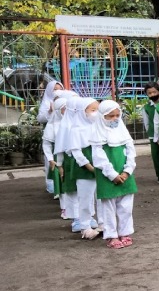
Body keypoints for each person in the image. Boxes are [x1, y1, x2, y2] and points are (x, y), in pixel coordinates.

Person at [91, 101, 137, 249]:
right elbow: (99, 158)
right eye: (110, 116)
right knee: (108, 208)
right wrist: (112, 174)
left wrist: (127, 171)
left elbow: (131, 152)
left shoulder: (123, 132)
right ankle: (111, 235)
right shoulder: (97, 134)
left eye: (117, 115)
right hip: (107, 176)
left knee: (126, 206)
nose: (115, 119)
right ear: (102, 116)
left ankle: (125, 232)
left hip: (126, 175)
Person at [68, 97, 102, 240]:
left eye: (98, 110)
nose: (96, 113)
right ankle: (85, 226)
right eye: (93, 110)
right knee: (85, 198)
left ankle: (103, 223)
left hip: (99, 164)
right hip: (84, 168)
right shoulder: (76, 129)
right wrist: (88, 166)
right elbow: (76, 151)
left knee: (101, 197)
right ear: (83, 112)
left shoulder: (99, 126)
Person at [54, 94, 81, 229]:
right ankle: (76, 218)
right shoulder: (64, 126)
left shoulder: (84, 123)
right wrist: (59, 166)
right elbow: (59, 148)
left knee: (86, 190)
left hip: (85, 161)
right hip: (69, 162)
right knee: (71, 190)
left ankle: (88, 216)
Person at [43, 97, 67, 215]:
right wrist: (50, 159)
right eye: (64, 109)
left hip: (70, 156)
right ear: (57, 110)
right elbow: (47, 144)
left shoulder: (71, 122)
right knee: (61, 182)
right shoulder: (52, 126)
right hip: (57, 157)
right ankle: (65, 208)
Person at [142, 82, 159, 184]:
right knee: (156, 156)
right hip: (153, 136)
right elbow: (146, 124)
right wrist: (152, 134)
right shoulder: (146, 108)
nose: (152, 95)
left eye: (154, 92)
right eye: (149, 93)